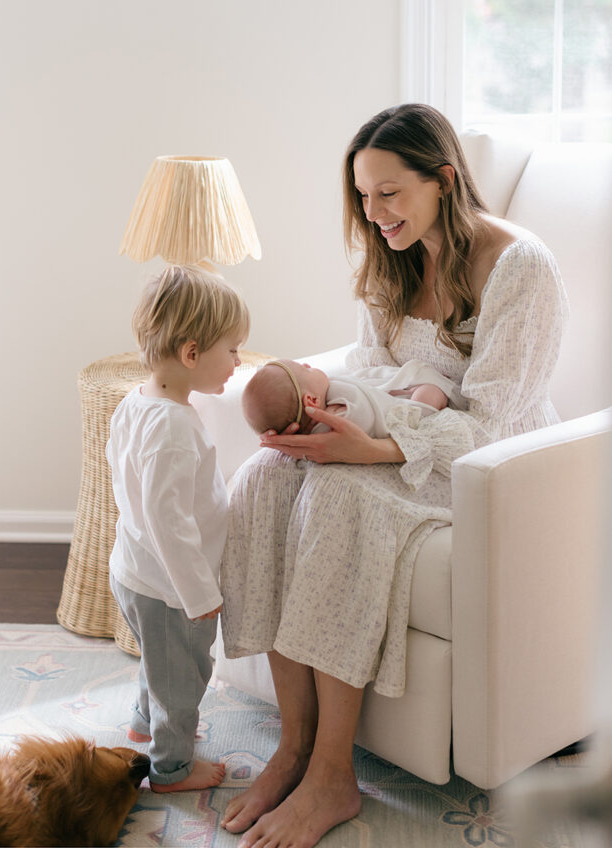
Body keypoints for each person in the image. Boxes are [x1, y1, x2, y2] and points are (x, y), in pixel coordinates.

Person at [220, 103, 568, 848]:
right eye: (363, 198)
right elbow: (372, 365)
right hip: (401, 426)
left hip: (486, 464)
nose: (374, 214)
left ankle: (332, 773)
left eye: (389, 194)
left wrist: (375, 450)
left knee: (344, 498)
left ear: (442, 181)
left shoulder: (520, 268)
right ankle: (294, 743)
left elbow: (494, 422)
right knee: (264, 479)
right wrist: (340, 418)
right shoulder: (391, 256)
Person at [106, 264, 249, 793]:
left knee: (158, 662)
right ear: (191, 354)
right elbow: (169, 523)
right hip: (169, 589)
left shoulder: (136, 403)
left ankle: (142, 725)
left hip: (134, 571)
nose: (238, 361)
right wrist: (199, 593)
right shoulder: (171, 427)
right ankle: (171, 769)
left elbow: (125, 480)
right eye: (232, 350)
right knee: (183, 680)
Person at [242, 356, 466, 437]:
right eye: (306, 369)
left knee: (395, 390)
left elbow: (369, 388)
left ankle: (411, 391)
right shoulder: (339, 414)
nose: (310, 365)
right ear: (310, 401)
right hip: (405, 418)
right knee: (429, 395)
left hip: (388, 401)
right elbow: (367, 413)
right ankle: (424, 394)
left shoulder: (314, 427)